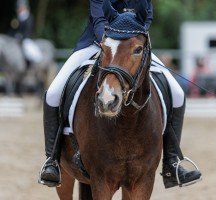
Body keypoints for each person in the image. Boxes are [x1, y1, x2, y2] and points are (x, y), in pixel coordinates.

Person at [38, 0, 202, 188]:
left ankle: (172, 162)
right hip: (100, 43)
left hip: (133, 46)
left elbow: (146, 15)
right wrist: (109, 42)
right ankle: (52, 160)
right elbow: (99, 19)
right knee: (53, 93)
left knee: (177, 92)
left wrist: (134, 38)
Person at [10, 0, 42, 65]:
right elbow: (13, 30)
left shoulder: (29, 18)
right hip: (16, 39)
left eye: (21, 7)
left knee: (27, 47)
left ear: (25, 7)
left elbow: (28, 30)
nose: (19, 9)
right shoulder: (17, 18)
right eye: (18, 7)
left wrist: (21, 36)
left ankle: (33, 64)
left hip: (26, 39)